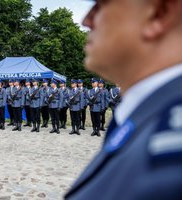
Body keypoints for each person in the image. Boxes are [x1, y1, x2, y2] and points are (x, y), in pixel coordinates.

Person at [65, 1, 182, 199]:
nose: (86, 21)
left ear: (158, 14)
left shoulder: (171, 154)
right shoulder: (147, 115)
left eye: (100, 5)